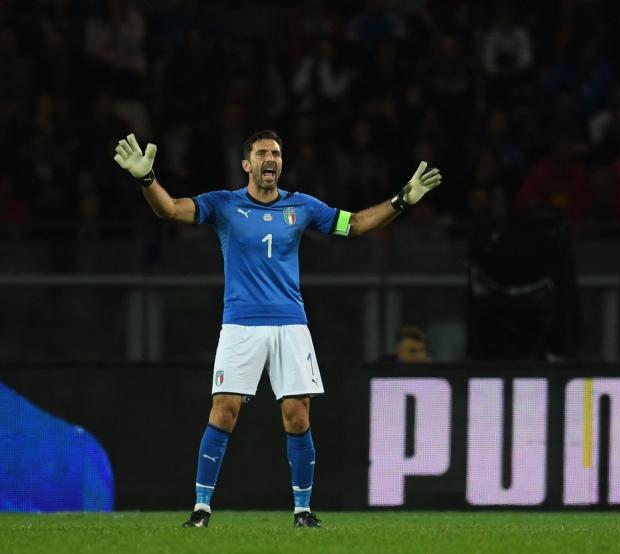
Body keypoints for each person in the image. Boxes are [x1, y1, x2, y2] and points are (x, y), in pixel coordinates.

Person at [113, 130, 442, 528]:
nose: (271, 158)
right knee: (224, 410)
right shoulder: (223, 204)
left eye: (277, 153)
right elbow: (170, 210)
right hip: (240, 325)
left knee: (298, 415)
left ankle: (302, 511)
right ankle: (201, 508)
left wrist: (401, 200)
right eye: (262, 153)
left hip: (291, 323)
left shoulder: (301, 206)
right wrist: (147, 180)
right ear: (247, 164)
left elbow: (355, 224)